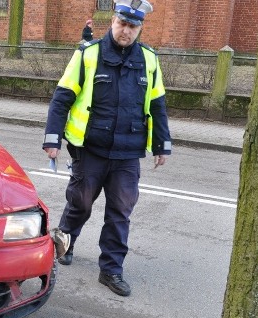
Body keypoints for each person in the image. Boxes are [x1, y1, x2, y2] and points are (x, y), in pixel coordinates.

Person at [43, 0, 171, 297]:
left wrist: (162, 145)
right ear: (112, 22)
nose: (126, 31)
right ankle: (66, 244)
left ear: (139, 28)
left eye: (132, 26)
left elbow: (157, 104)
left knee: (120, 212)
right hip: (90, 148)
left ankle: (111, 269)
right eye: (122, 24)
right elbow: (62, 97)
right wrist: (52, 138)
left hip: (128, 151)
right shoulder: (88, 54)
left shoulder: (149, 60)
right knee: (80, 203)